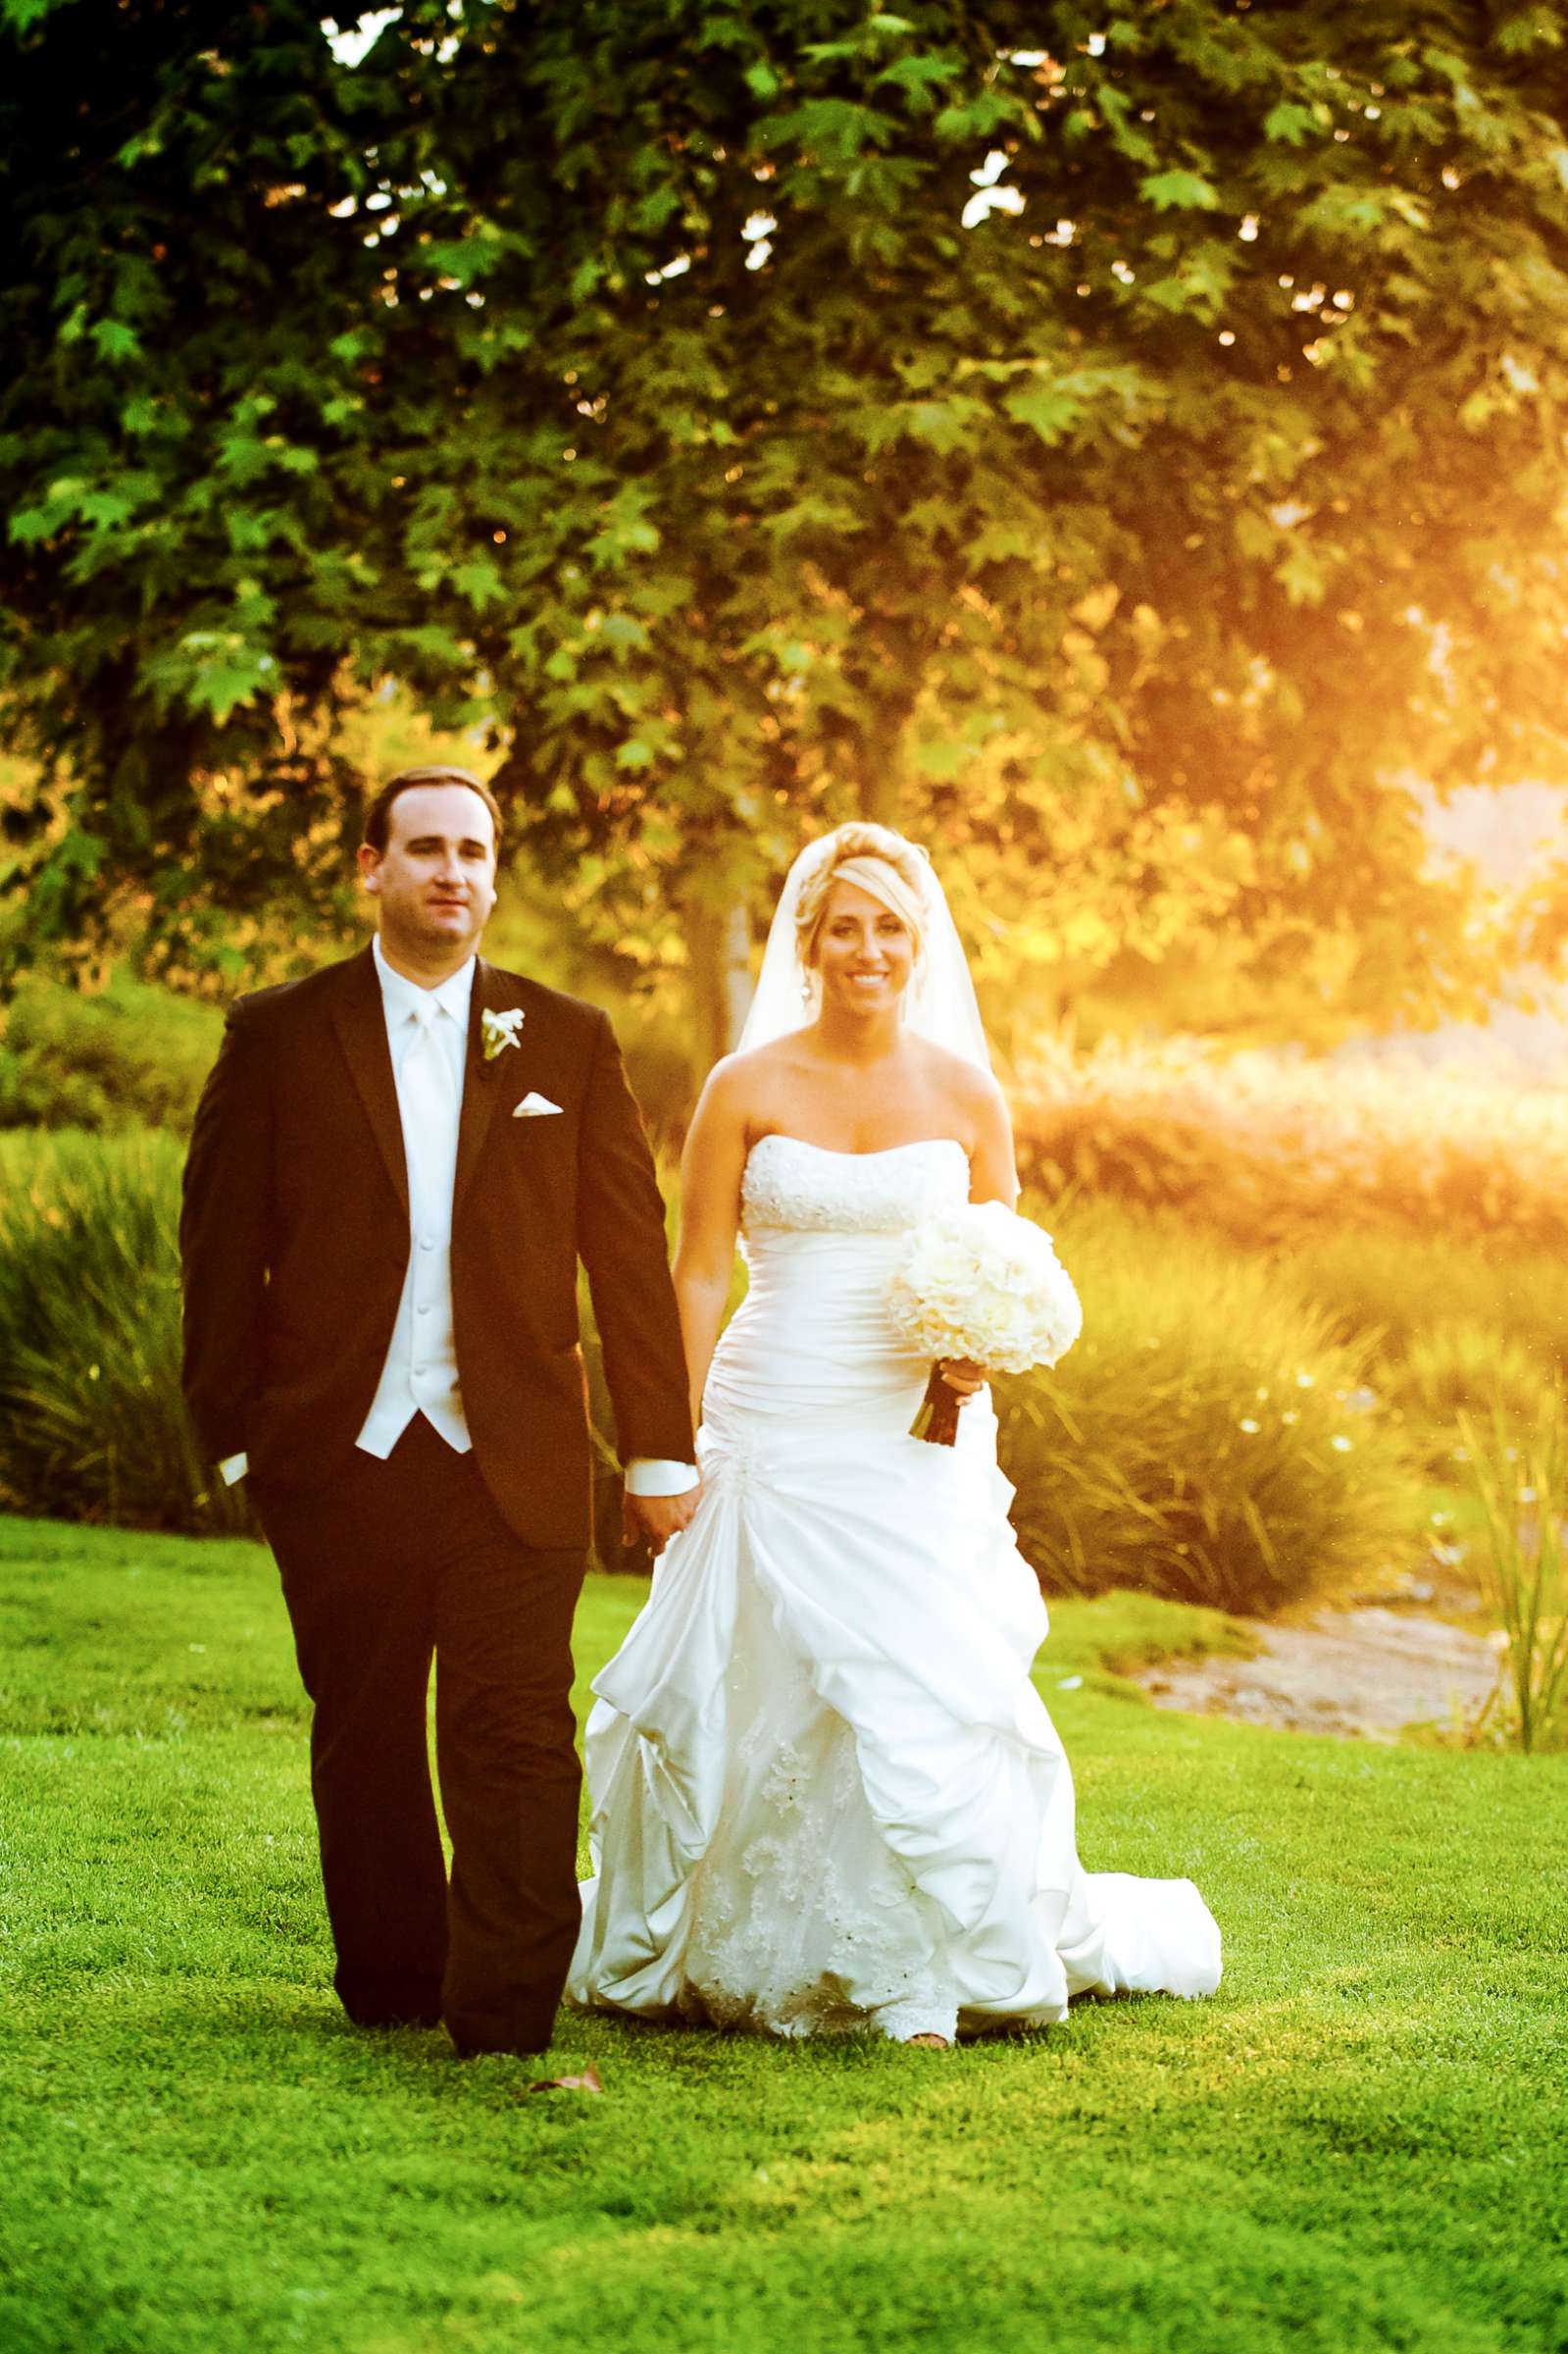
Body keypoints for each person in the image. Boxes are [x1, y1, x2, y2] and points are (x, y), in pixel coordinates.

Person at [570, 823, 1221, 2046]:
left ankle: (918, 1943)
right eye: (846, 925)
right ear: (808, 942)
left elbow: (1002, 1260)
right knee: (760, 1675)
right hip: (771, 1415)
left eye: (890, 927)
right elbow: (698, 1272)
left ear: (920, 947)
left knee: (918, 1679)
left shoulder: (969, 1094)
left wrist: (984, 1349)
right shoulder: (744, 1087)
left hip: (915, 1431)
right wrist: (676, 1438)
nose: (868, 947)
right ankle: (733, 1934)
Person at [179, 766, 699, 2058]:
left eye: (472, 850)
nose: (450, 872)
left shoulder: (563, 1038)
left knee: (515, 1729)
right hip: (337, 1450)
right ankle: (397, 1980)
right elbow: (218, 1243)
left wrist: (657, 1446)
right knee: (363, 1730)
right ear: (370, 867)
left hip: (510, 1453)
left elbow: (628, 1260)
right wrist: (239, 1433)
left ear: (494, 874)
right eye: (423, 849)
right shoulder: (280, 1033)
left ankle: (504, 2008)